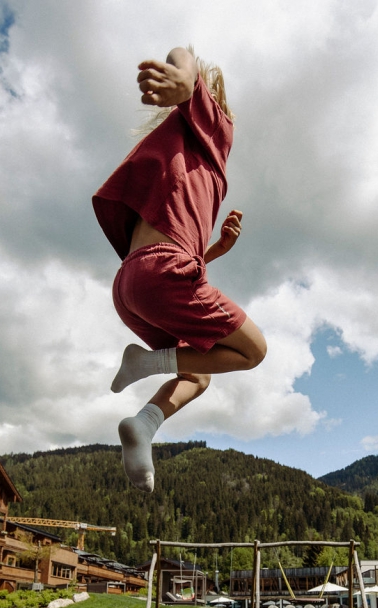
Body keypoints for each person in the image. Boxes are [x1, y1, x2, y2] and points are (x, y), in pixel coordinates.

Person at [93, 47, 267, 492]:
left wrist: (216, 250)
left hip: (130, 286)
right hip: (161, 275)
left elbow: (162, 243)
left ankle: (144, 424)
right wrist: (185, 79)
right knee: (253, 352)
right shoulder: (214, 130)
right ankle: (146, 361)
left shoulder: (170, 150)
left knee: (199, 372)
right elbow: (183, 53)